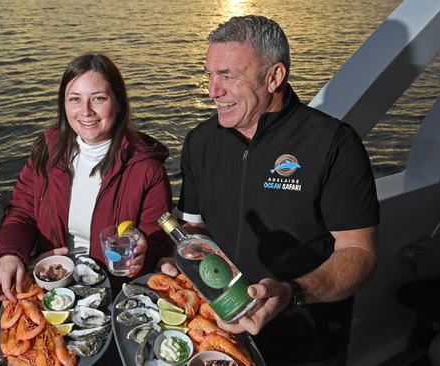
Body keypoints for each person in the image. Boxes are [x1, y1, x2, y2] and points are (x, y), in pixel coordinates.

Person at [162, 15, 379, 365]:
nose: (212, 91)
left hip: (307, 343)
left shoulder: (333, 144)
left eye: (228, 76)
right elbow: (194, 230)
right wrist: (179, 263)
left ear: (274, 76)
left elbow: (360, 254)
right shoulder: (200, 142)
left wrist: (291, 293)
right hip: (218, 335)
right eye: (210, 75)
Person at [0, 53, 172, 301]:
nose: (86, 111)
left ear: (118, 103)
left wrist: (142, 254)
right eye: (74, 99)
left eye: (98, 98)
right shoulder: (47, 151)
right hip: (52, 283)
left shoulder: (146, 168)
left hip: (113, 292)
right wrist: (9, 254)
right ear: (63, 105)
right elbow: (21, 211)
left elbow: (158, 242)